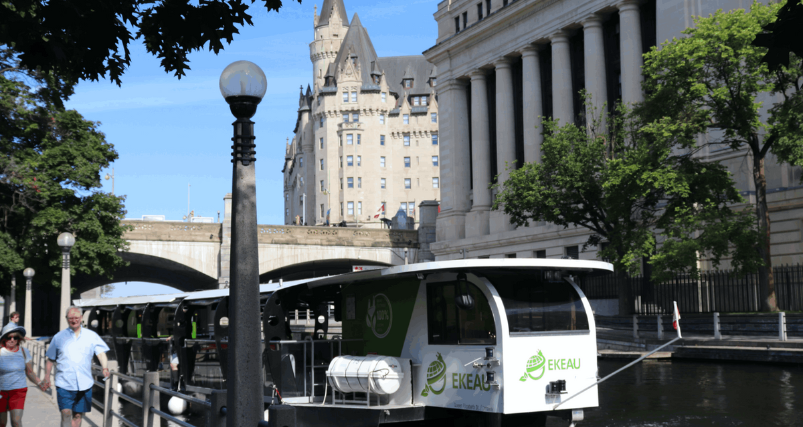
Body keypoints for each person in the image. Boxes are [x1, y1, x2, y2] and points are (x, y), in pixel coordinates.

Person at [42, 307, 110, 427]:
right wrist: (47, 377)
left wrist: (105, 367)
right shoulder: (58, 337)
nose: (74, 320)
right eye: (71, 318)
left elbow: (101, 353)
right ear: (66, 319)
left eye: (76, 318)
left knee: (78, 416)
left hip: (85, 383)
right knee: (66, 413)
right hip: (64, 383)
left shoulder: (91, 336)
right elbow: (50, 359)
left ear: (81, 318)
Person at [0, 324, 47, 427]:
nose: (12, 340)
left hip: (18, 391)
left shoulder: (24, 352)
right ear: (4, 338)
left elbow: (29, 372)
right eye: (9, 337)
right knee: (1, 423)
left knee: (16, 422)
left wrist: (39, 382)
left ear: (19, 339)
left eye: (15, 337)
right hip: (1, 392)